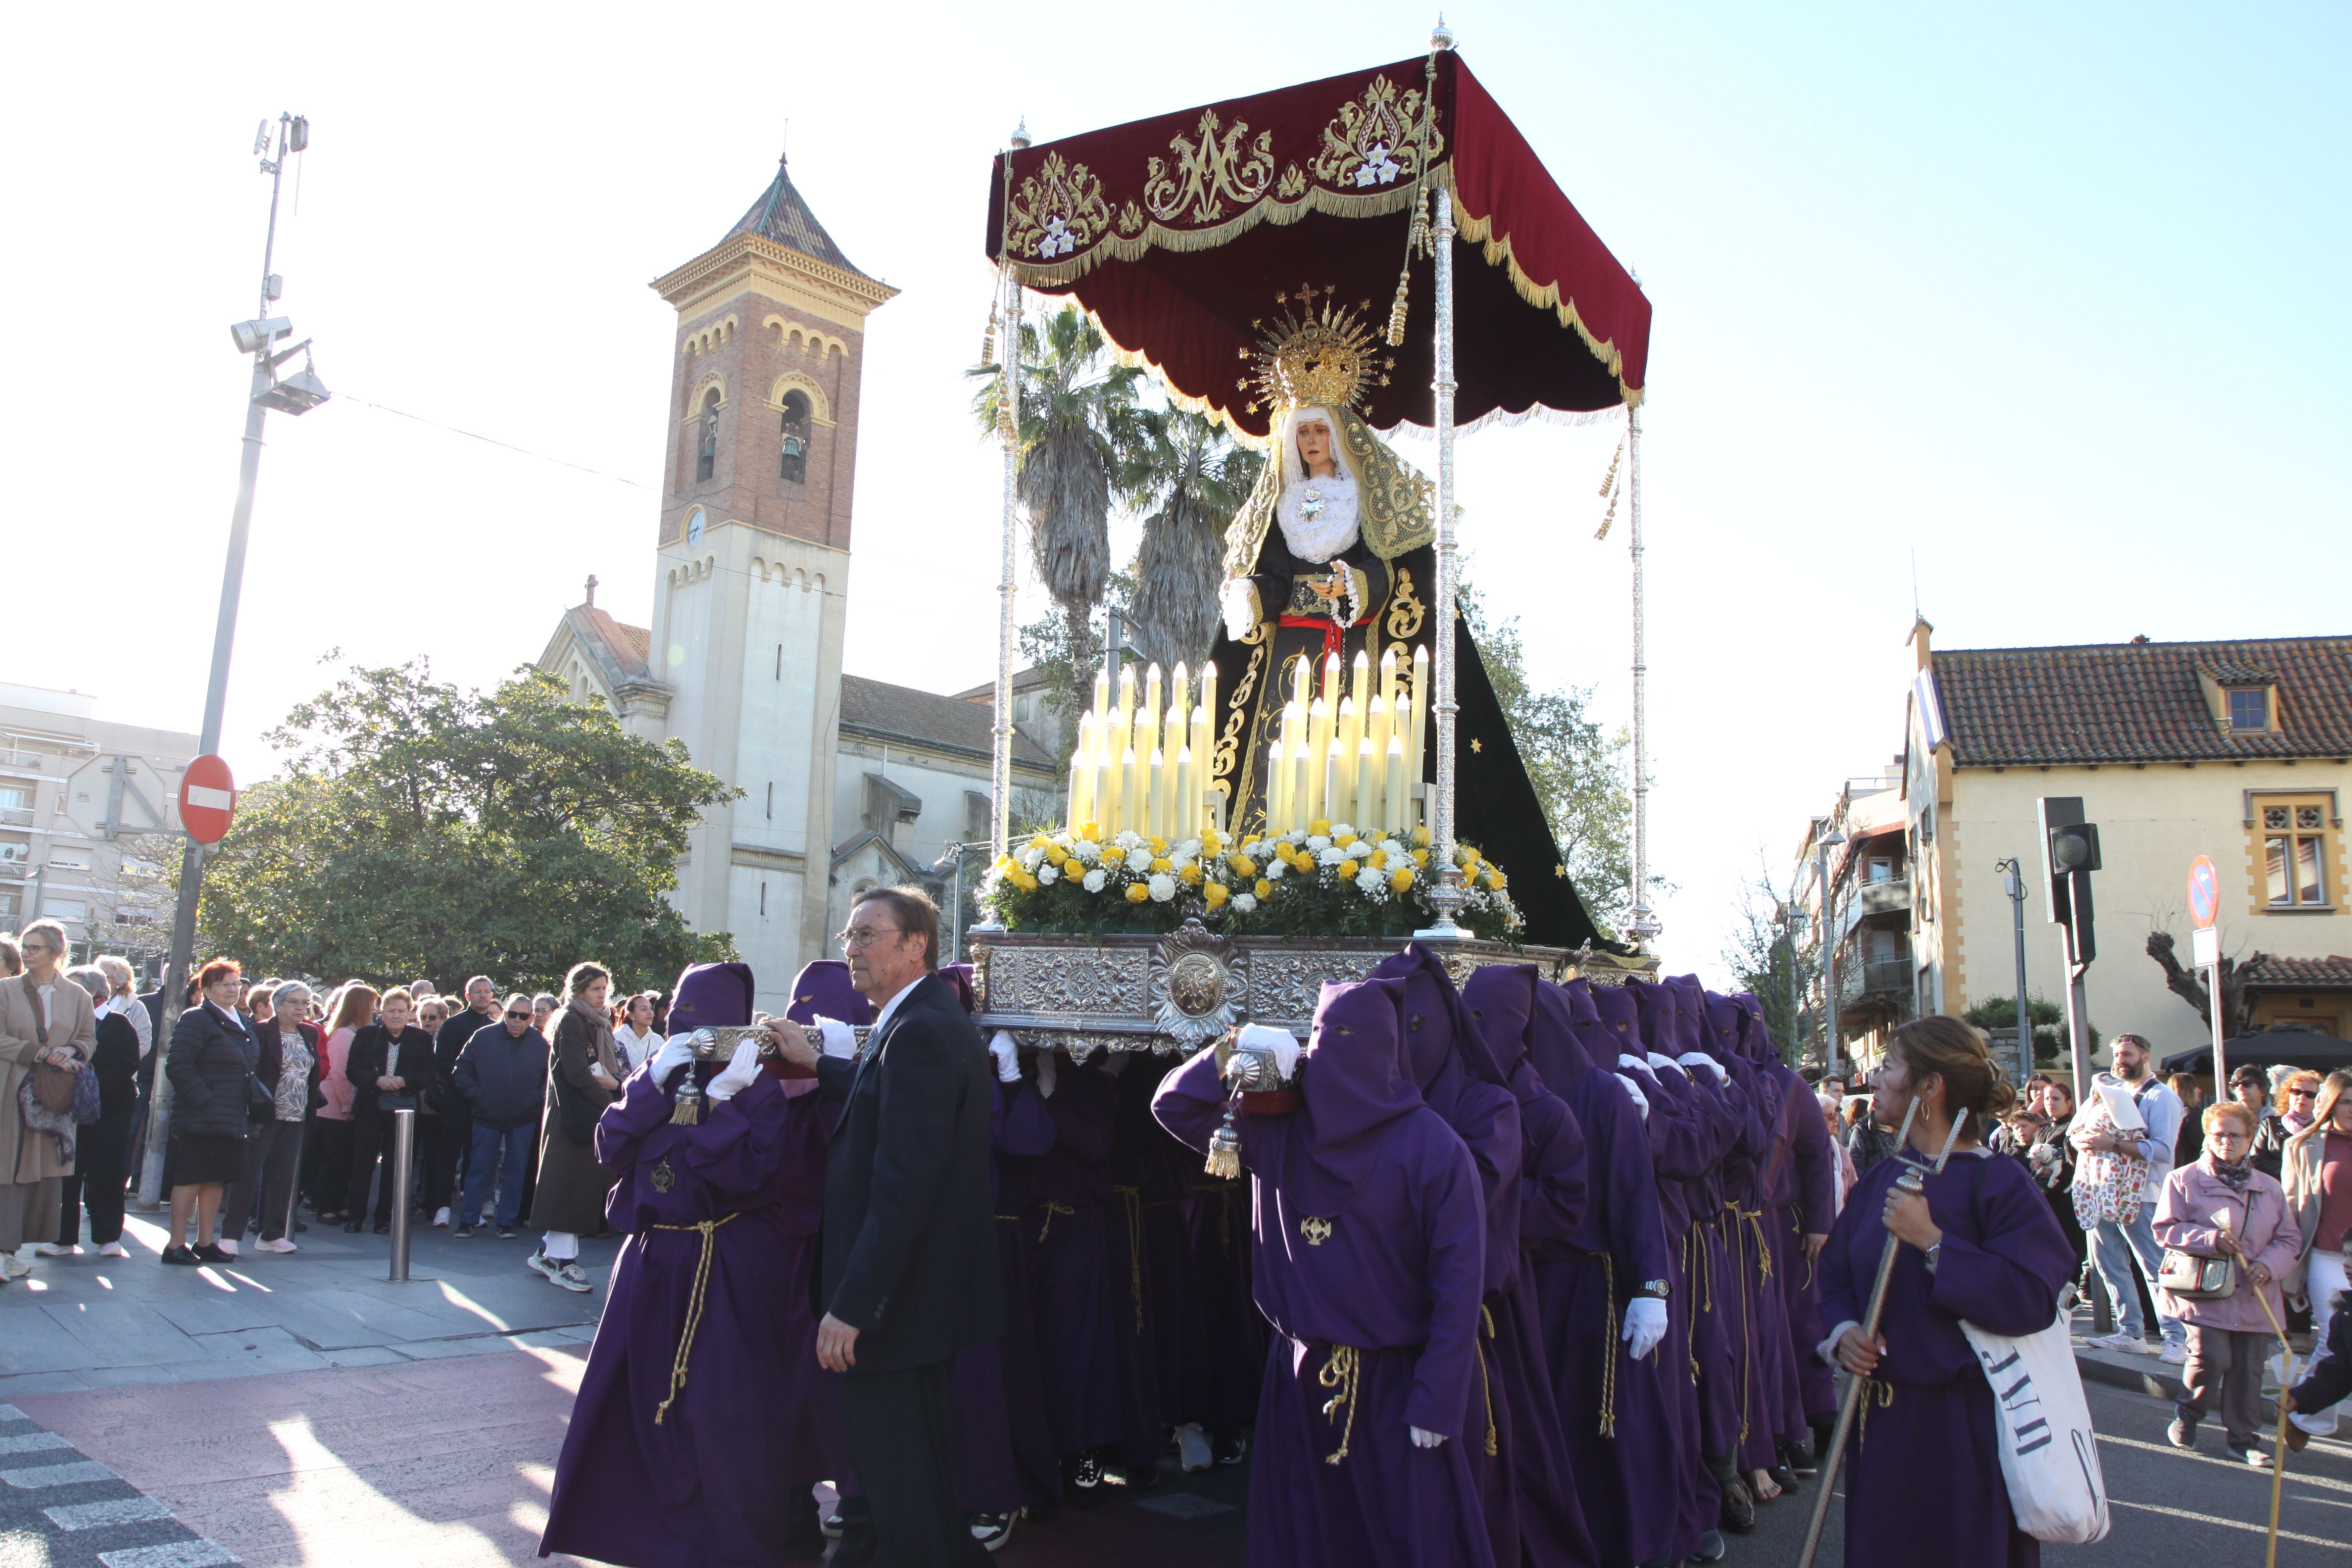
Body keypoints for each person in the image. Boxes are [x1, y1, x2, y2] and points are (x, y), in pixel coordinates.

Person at [1153, 975, 1494, 1568]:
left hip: (1395, 1387)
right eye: (1322, 1036)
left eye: (1349, 1036)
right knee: (1302, 1537)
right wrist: (1232, 1048)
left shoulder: (1432, 1148)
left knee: (1403, 1541)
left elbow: (1459, 1284)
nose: (1334, 1053)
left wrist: (1438, 1397)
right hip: (1297, 1377)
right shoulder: (1274, 1127)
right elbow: (1172, 1106)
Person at [777, 886, 1001, 1568]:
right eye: (848, 936)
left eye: (867, 935)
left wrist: (854, 1306)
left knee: (903, 1487)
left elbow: (906, 1185)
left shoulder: (921, 1031)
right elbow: (884, 1097)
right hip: (916, 1302)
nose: (851, 949)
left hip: (896, 1307)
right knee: (918, 1483)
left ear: (916, 945)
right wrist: (819, 1064)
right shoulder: (919, 1019)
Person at [1819, 1015, 2075, 1568]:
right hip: (1880, 1424)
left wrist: (1933, 1243)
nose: (1875, 1078)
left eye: (1889, 1066)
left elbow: (2032, 1297)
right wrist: (1844, 1333)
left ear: (1929, 1087)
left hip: (1965, 1431)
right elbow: (1834, 1277)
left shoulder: (1999, 1182)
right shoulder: (1882, 1178)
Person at [2155, 1099, 2299, 1466]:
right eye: (2218, 1135)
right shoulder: (2183, 1179)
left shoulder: (2270, 1188)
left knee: (2249, 1371)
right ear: (2207, 1136)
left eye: (2235, 1136)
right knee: (2212, 1357)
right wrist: (2209, 1239)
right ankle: (2189, 1412)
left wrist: (2268, 1265)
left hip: (2255, 1294)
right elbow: (2165, 1229)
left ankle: (2243, 1439)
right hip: (2205, 1290)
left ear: (2250, 1139)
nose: (2226, 1142)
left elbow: (2289, 1239)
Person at [2071, 1032, 2189, 1361]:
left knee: (2155, 1268)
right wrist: (2084, 1141)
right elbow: (2077, 1131)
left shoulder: (2161, 1097)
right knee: (2109, 1265)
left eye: (2128, 1055)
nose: (2121, 1061)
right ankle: (2130, 1332)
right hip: (2100, 1190)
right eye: (2117, 1055)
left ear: (2145, 1057)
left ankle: (2176, 1338)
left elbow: (2163, 1151)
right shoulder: (2111, 1093)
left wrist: (2113, 1145)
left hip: (2144, 1194)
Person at [1, 921, 98, 1279]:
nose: (26, 954)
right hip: (9, 1089)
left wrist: (70, 1050)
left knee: (41, 1171)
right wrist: (39, 1053)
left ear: (56, 953)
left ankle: (11, 1251)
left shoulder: (78, 995)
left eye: (35, 948)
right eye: (24, 947)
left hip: (52, 1096)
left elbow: (89, 1039)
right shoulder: (6, 989)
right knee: (7, 1166)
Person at [528, 963, 622, 1292]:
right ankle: (562, 1261)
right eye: (596, 989)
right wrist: (609, 1100)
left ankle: (548, 1253)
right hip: (574, 1115)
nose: (602, 995)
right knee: (568, 1186)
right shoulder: (572, 1019)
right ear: (580, 989)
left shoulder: (595, 1021)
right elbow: (577, 1072)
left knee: (573, 1187)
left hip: (585, 1112)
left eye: (604, 989)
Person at [162, 957, 255, 1265]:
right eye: (223, 985)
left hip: (231, 1116)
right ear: (206, 989)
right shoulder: (197, 1018)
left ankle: (205, 1242)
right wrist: (206, 1101)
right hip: (201, 1116)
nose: (232, 990)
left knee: (216, 1179)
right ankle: (175, 1245)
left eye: (236, 984)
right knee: (190, 1178)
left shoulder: (241, 1020)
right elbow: (179, 1065)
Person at [40, 965, 138, 1259]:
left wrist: (88, 1088)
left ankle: (108, 1238)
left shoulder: (118, 1024)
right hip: (67, 1111)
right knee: (66, 1173)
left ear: (93, 993)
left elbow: (127, 1065)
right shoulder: (64, 1025)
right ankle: (62, 1238)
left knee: (106, 1172)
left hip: (109, 1112)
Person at [221, 981, 319, 1255]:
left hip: (296, 1113)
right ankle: (230, 1235)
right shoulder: (260, 1031)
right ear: (277, 1004)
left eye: (305, 1003)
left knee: (283, 1176)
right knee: (249, 1174)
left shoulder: (310, 1033)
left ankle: (272, 1234)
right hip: (264, 1114)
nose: (300, 1008)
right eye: (294, 1002)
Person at [2282, 1070, 2352, 1440]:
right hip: (2327, 1256)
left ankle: (2305, 1409)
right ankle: (2308, 1419)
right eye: (2347, 1102)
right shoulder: (2304, 1145)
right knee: (2332, 1337)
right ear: (2331, 1104)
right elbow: (2292, 1206)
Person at [452, 994, 551, 1240]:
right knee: (479, 1169)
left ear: (531, 1018)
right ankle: (467, 1221)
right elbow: (461, 1070)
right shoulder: (483, 1036)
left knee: (516, 1171)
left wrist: (536, 1098)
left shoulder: (542, 1043)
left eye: (523, 1016)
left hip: (523, 1117)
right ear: (505, 1014)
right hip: (487, 1114)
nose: (517, 1021)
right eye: (513, 1015)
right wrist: (478, 1095)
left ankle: (506, 1222)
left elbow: (550, 1078)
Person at [343, 986, 432, 1234]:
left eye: (401, 1011)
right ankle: (356, 1217)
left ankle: (384, 1217)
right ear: (382, 1012)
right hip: (370, 1107)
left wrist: (405, 1081)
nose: (396, 1016)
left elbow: (428, 1073)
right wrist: (377, 1080)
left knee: (395, 1165)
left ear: (409, 1013)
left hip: (403, 1109)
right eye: (391, 1011)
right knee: (363, 1162)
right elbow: (353, 1069)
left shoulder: (421, 1039)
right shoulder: (367, 1035)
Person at [304, 982, 374, 1225]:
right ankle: (325, 1205)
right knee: (333, 1159)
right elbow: (340, 1074)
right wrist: (348, 1106)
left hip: (339, 1106)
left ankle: (337, 1202)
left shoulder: (353, 1033)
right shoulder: (344, 1034)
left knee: (343, 1159)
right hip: (334, 1108)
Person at [435, 976, 500, 1224]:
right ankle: (442, 1206)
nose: (483, 996)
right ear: (468, 996)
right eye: (478, 992)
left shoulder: (497, 1028)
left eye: (487, 992)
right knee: (448, 1155)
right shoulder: (454, 1025)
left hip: (483, 1103)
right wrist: (467, 1086)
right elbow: (443, 1062)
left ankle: (473, 1209)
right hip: (456, 1100)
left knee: (478, 1157)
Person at [414, 992, 456, 1227]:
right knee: (411, 1156)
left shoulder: (445, 1041)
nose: (427, 1021)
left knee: (432, 1157)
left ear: (442, 1019)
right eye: (423, 1017)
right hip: (413, 1107)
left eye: (432, 1017)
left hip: (434, 1106)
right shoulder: (413, 1037)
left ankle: (430, 1202)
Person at [2236, 1064, 2288, 1178]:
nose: (2240, 1088)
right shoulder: (2226, 1116)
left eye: (2247, 1084)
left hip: (2270, 1178)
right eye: (2235, 1085)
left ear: (2263, 1089)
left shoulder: (2278, 1117)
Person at [613, 991, 660, 1074]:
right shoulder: (617, 1039)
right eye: (644, 1009)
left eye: (651, 1008)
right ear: (632, 1015)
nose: (650, 1013)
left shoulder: (659, 1041)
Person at [2170, 1072, 2207, 1169]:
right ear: (2187, 1091)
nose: (2199, 1090)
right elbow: (2201, 1144)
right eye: (2195, 1087)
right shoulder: (2194, 1114)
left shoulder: (2169, 1113)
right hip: (2191, 1168)